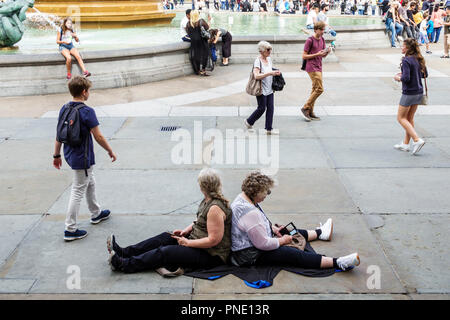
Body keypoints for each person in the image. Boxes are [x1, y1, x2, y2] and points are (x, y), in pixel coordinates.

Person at [107, 168, 232, 273]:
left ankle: (124, 264)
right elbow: (200, 220)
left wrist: (188, 243)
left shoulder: (215, 209)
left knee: (166, 252)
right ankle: (124, 252)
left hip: (211, 255)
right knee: (165, 237)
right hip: (197, 242)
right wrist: (186, 231)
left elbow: (213, 240)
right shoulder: (208, 199)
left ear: (202, 187)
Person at [230, 171, 361, 271]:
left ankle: (320, 233)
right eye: (266, 192)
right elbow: (263, 244)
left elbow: (254, 226)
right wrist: (282, 241)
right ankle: (338, 262)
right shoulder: (250, 213)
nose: (267, 195)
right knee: (292, 254)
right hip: (249, 255)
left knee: (288, 231)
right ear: (256, 192)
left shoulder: (244, 198)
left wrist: (273, 229)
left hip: (253, 242)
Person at [53, 76, 117, 241]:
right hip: (83, 156)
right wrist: (110, 150)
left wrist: (57, 154)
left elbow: (59, 134)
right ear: (84, 92)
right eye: (89, 90)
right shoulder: (87, 111)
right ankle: (70, 229)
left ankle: (96, 213)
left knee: (90, 181)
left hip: (70, 154)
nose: (89, 93)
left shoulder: (64, 108)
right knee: (78, 189)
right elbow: (99, 137)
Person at [393, 39, 428, 155]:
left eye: (403, 46)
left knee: (400, 118)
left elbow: (406, 79)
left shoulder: (407, 60)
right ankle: (406, 144)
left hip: (409, 93)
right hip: (419, 91)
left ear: (408, 48)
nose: (401, 48)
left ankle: (417, 140)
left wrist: (398, 77)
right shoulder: (419, 58)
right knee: (409, 118)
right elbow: (425, 74)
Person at [245, 41, 281, 135]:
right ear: (261, 51)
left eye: (270, 49)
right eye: (268, 50)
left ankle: (269, 129)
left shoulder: (269, 59)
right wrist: (270, 73)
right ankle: (249, 122)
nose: (270, 51)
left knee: (270, 108)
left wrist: (275, 71)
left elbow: (269, 69)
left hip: (269, 88)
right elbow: (256, 76)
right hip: (261, 89)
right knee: (261, 108)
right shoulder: (258, 61)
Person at [300, 21, 330, 122]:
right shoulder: (309, 40)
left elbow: (322, 55)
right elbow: (304, 56)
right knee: (320, 89)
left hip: (319, 66)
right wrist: (316, 54)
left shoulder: (322, 39)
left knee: (315, 89)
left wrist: (327, 52)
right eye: (321, 30)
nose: (322, 32)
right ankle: (305, 107)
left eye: (323, 30)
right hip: (311, 67)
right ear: (316, 29)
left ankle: (310, 112)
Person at [186, 10, 210, 76]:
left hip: (194, 42)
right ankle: (203, 70)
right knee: (205, 55)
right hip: (203, 41)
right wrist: (209, 21)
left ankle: (198, 70)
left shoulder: (188, 23)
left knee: (197, 56)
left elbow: (188, 33)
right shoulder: (201, 21)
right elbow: (207, 28)